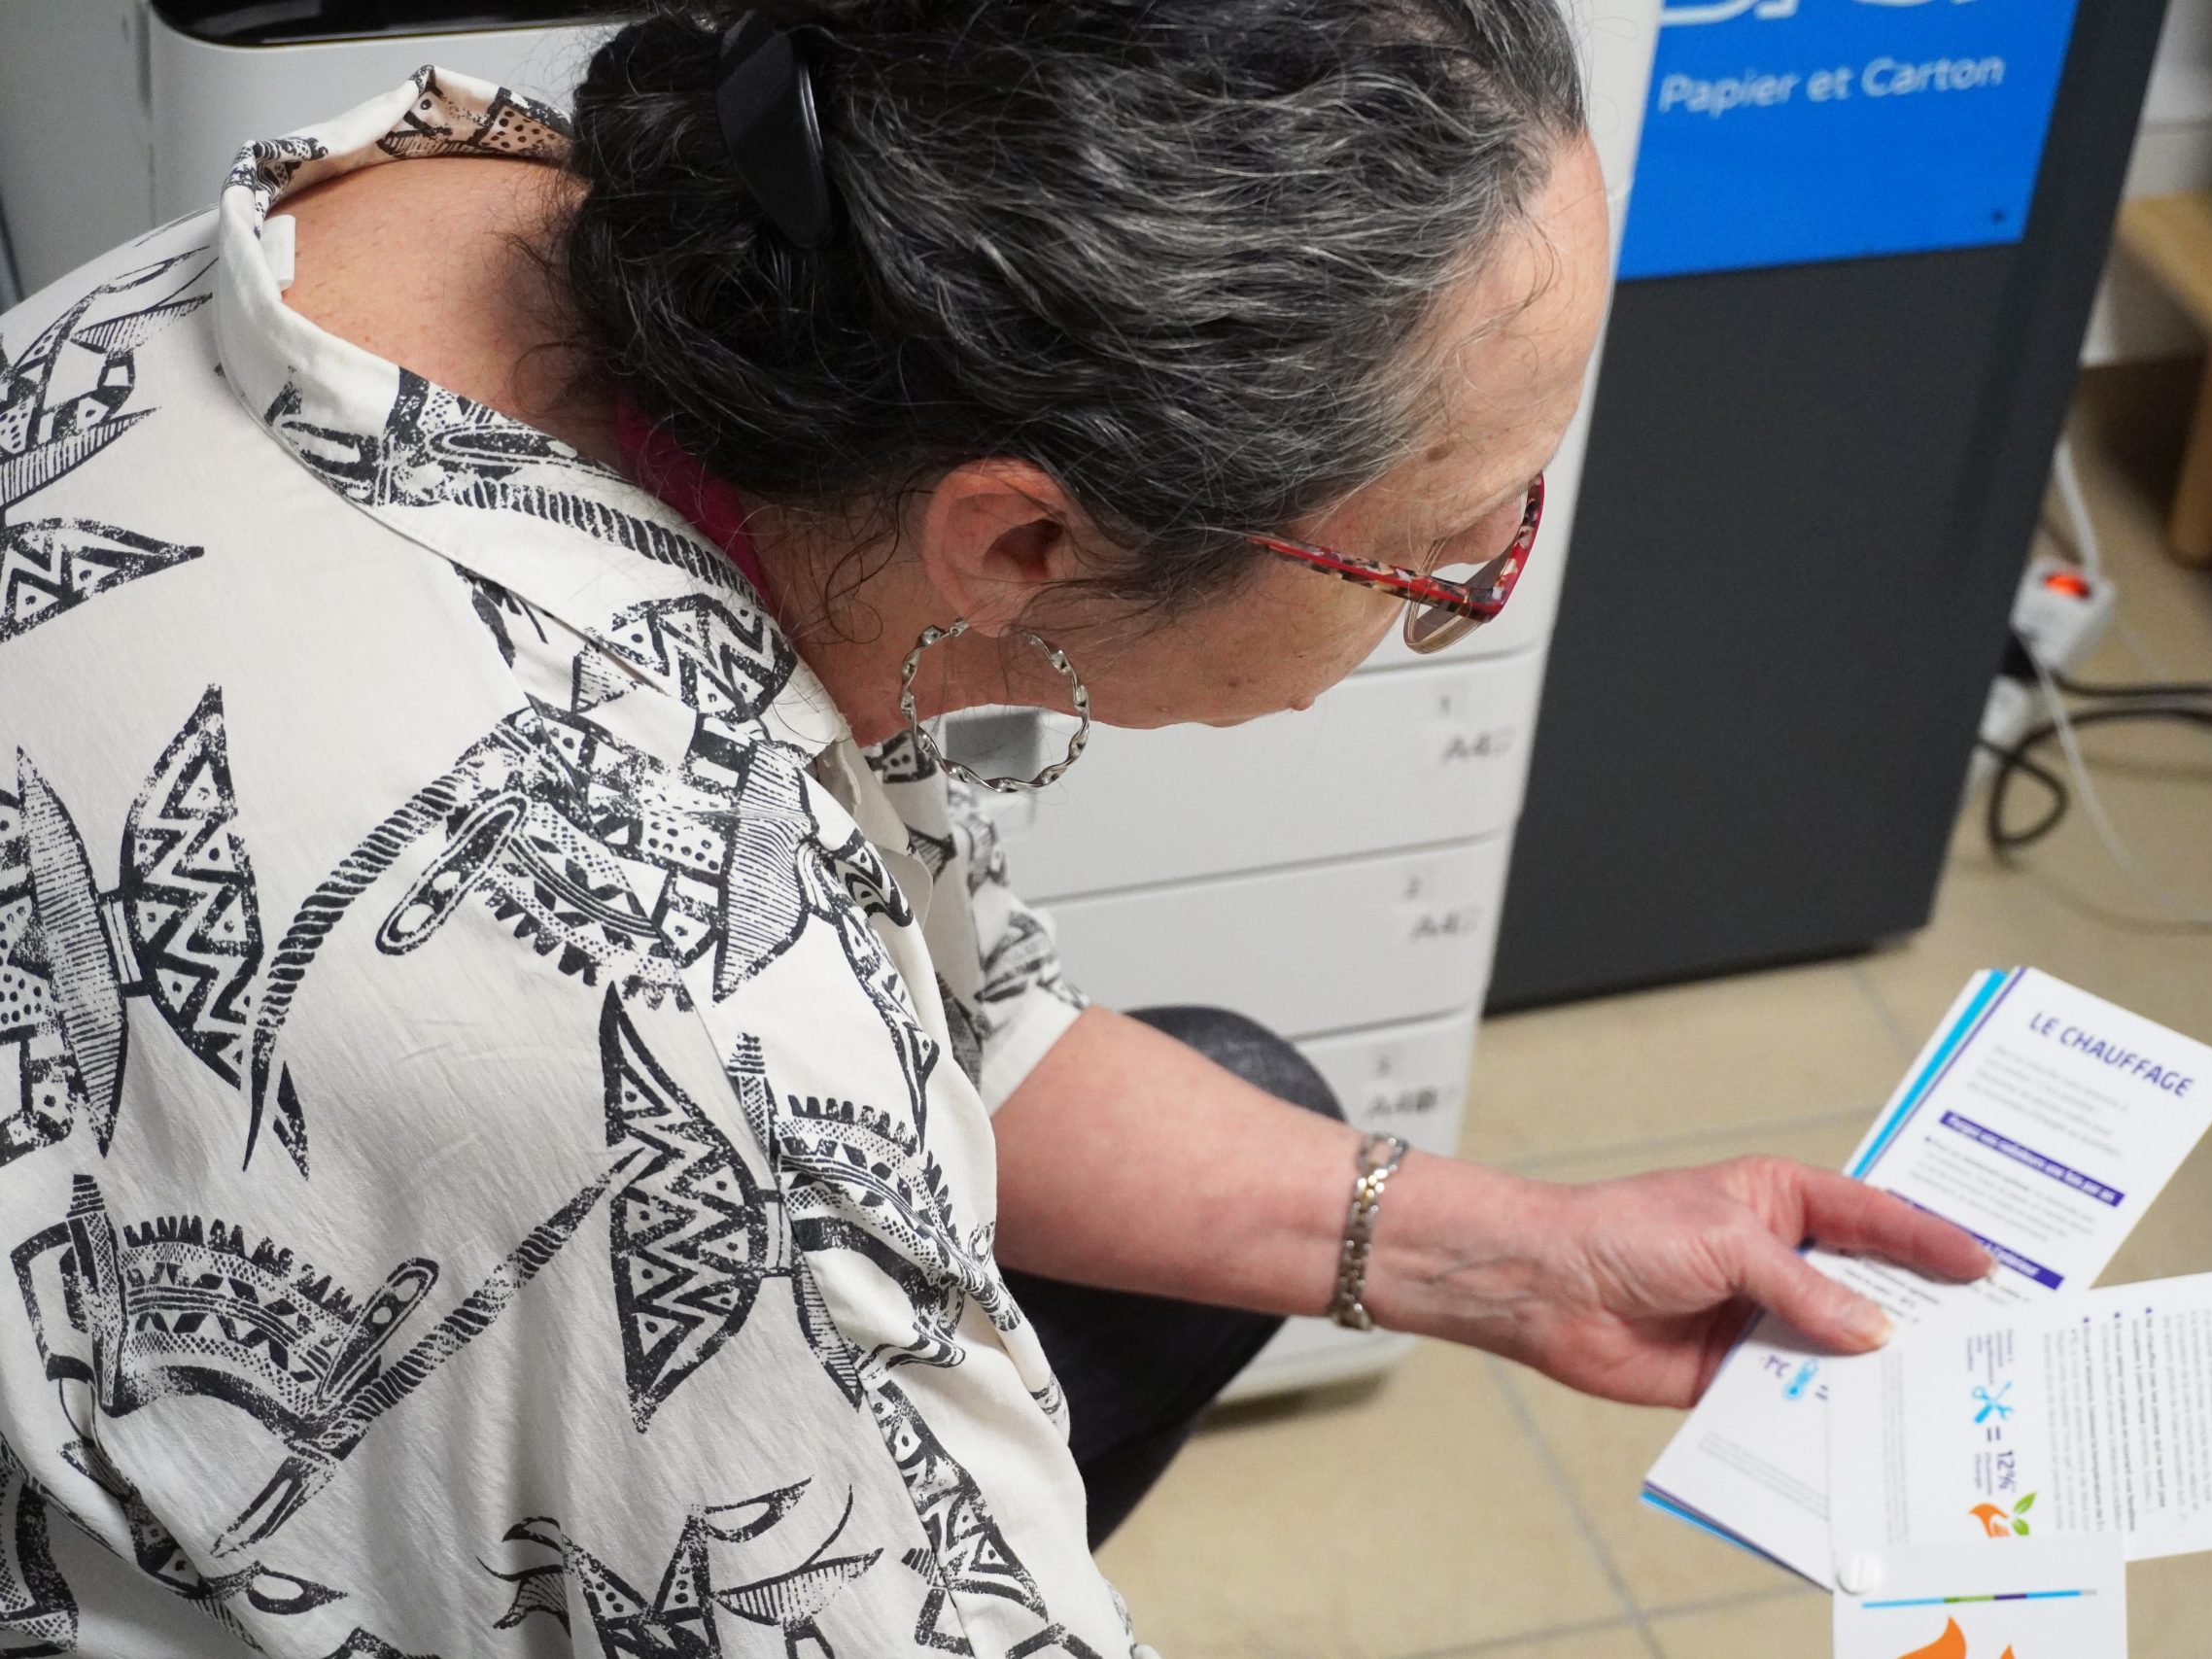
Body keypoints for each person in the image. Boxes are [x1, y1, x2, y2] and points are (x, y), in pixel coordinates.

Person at [0, 2, 1989, 1653]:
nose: (1484, 581)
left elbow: (966, 1030)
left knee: (1238, 1093)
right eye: (1448, 553)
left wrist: (1528, 1254)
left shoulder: (506, 211)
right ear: (1022, 535)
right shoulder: (688, 1031)